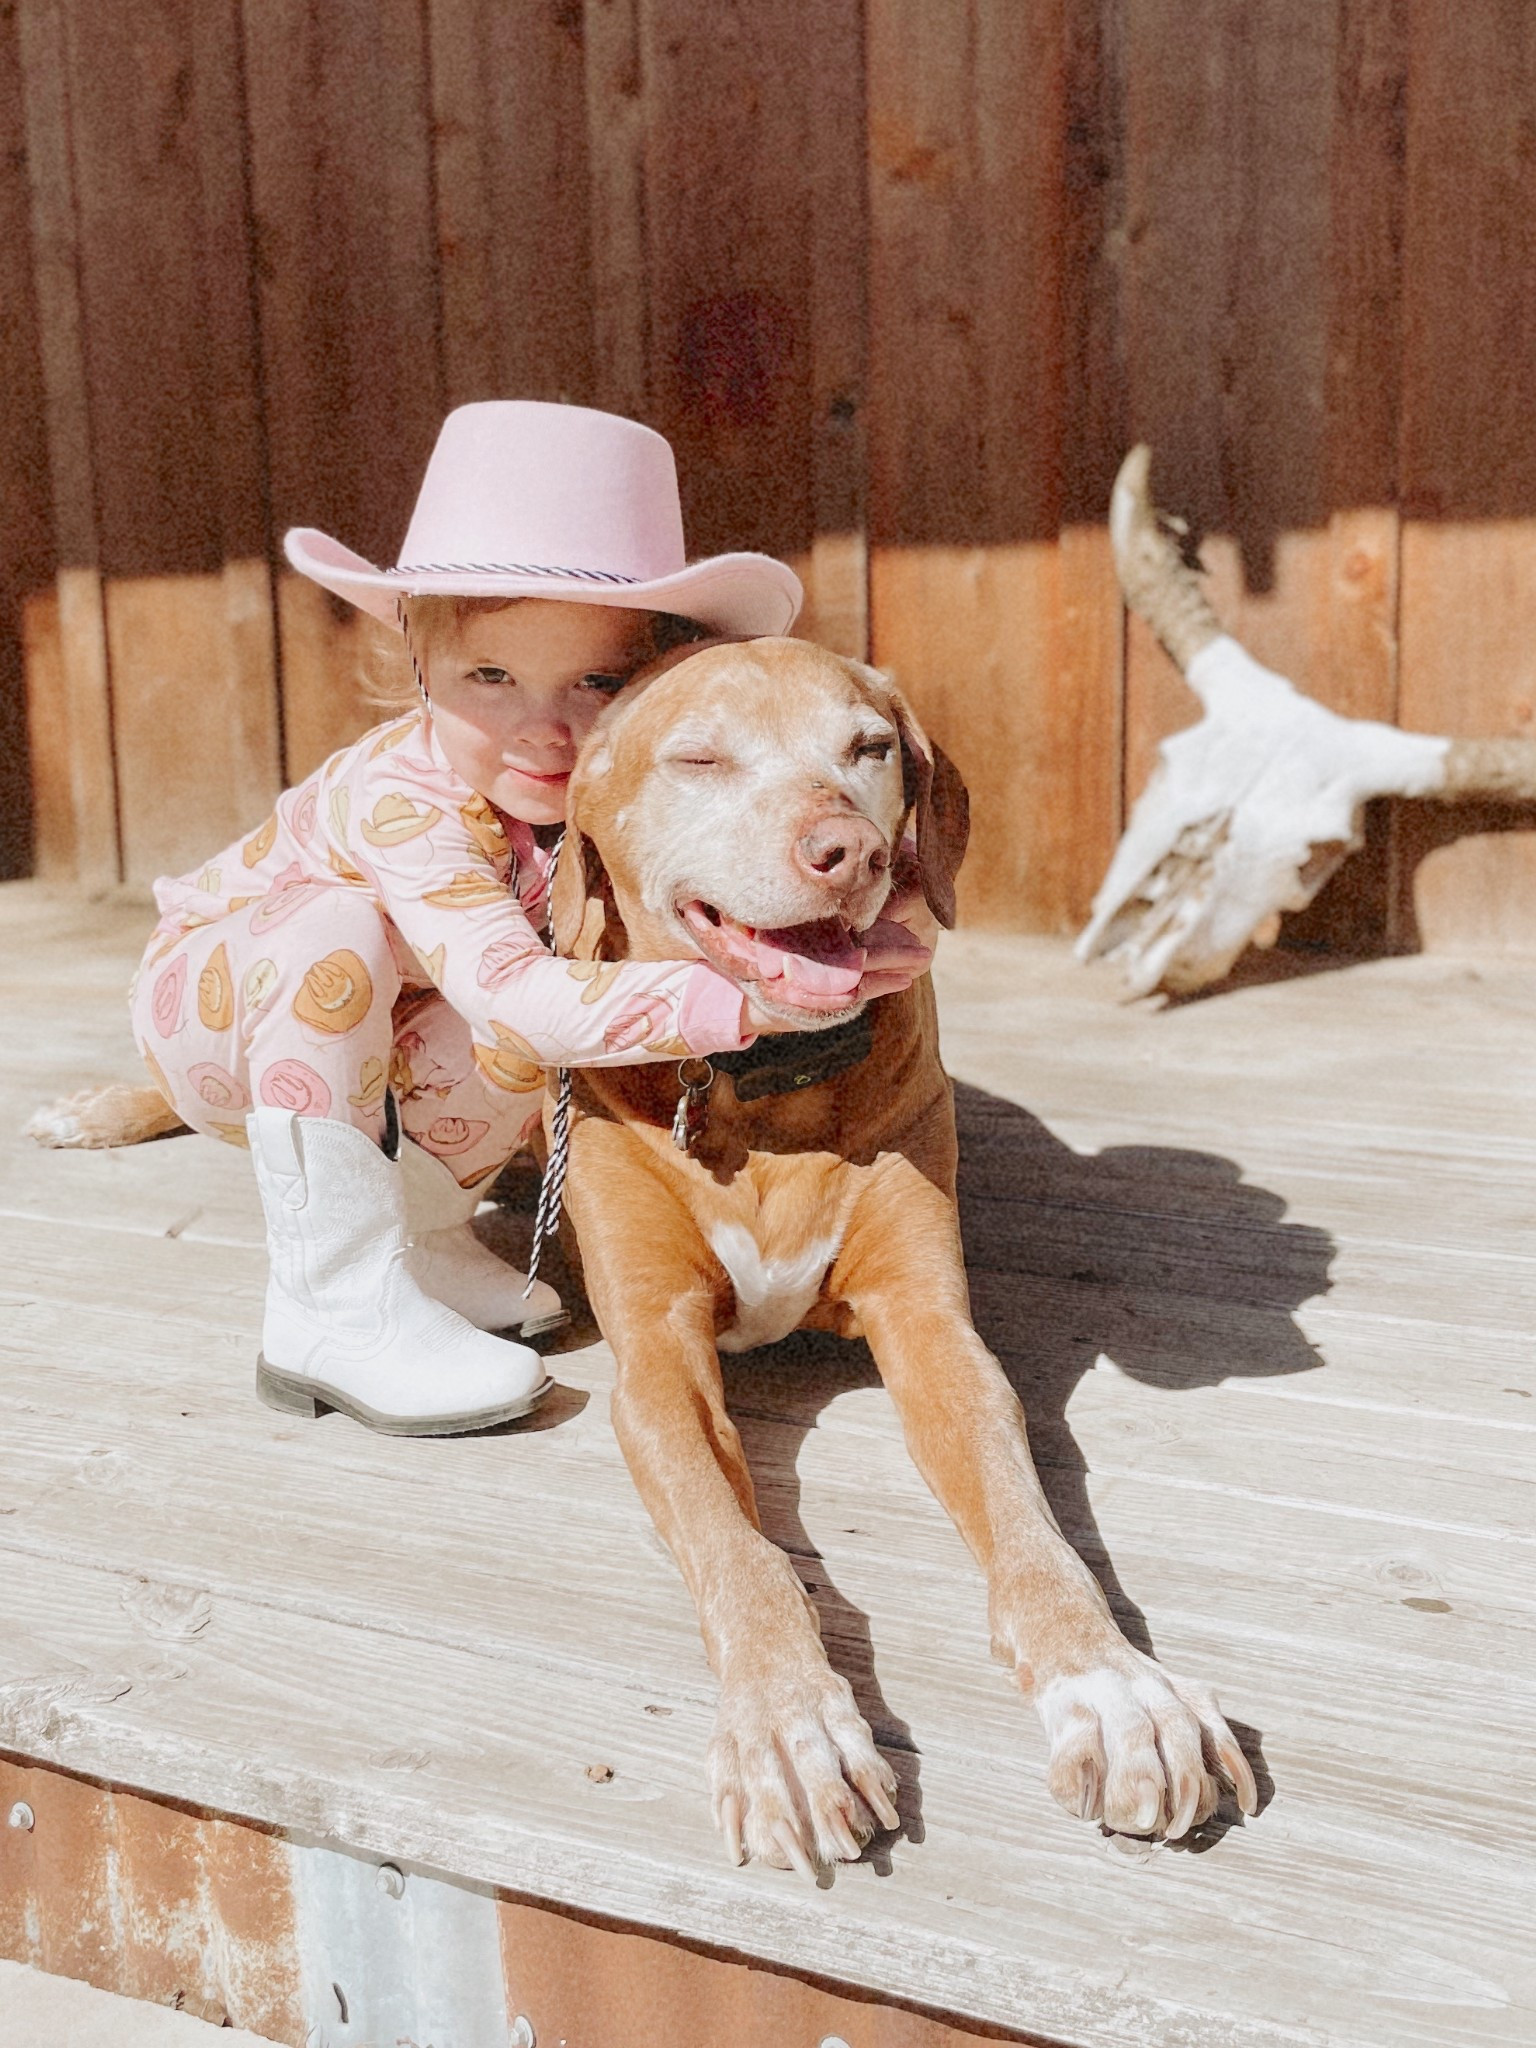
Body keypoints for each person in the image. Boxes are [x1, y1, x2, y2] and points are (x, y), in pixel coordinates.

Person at [129, 402, 932, 1438]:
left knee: (558, 987)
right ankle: (329, 1304)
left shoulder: (588, 797)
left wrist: (857, 900)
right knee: (346, 938)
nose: (544, 728)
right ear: (422, 668)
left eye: (595, 681)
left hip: (409, 1013)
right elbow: (515, 997)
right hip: (221, 1010)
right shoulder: (404, 795)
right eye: (490, 677)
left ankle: (423, 1233)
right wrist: (756, 1000)